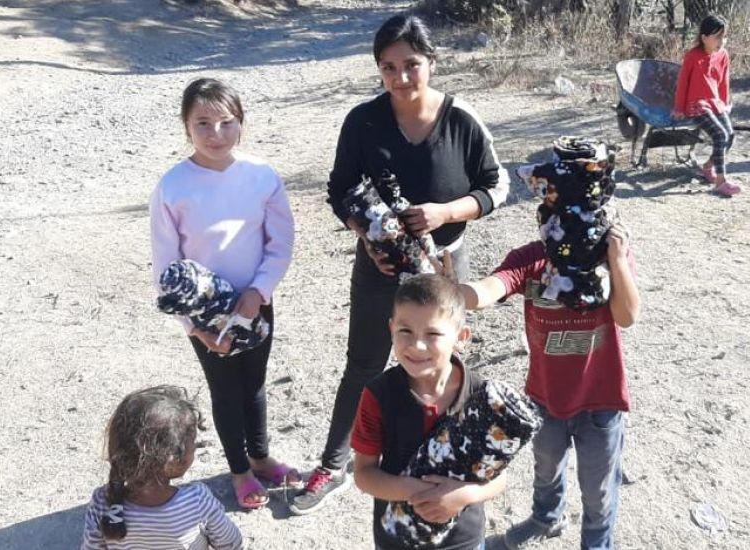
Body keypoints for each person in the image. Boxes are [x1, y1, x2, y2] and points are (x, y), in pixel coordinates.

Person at [293, 14, 509, 514]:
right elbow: (340, 190)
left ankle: (454, 462)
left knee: (444, 365)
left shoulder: (462, 120)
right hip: (380, 270)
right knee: (364, 364)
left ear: (432, 62)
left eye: (411, 64)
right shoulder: (363, 121)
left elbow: (495, 185)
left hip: (444, 269)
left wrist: (446, 212)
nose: (400, 77)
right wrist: (365, 235)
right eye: (388, 67)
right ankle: (336, 462)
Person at [150, 77, 298, 510]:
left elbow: (280, 242)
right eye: (202, 124)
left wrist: (259, 290)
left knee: (253, 384)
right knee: (225, 390)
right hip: (205, 311)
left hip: (256, 302)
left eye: (226, 122)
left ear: (241, 124)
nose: (215, 134)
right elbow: (165, 266)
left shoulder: (261, 176)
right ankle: (239, 471)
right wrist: (193, 326)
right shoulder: (173, 186)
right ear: (186, 127)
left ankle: (261, 455)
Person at [460, 224, 641, 550]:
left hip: (600, 400)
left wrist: (617, 259)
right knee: (546, 467)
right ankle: (547, 518)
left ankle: (597, 543)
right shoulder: (532, 258)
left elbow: (627, 316)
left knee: (598, 489)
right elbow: (489, 289)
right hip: (545, 398)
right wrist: (448, 291)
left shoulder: (606, 258)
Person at [350, 275, 507, 550]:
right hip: (398, 539)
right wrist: (418, 493)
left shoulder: (483, 396)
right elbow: (364, 473)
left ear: (461, 337)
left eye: (433, 334)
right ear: (391, 329)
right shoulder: (378, 395)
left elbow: (500, 477)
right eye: (405, 331)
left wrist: (461, 495)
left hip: (463, 539)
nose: (417, 345)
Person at [81, 386, 244, 550]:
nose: (194, 447)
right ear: (173, 460)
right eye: (192, 442)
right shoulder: (197, 500)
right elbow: (231, 544)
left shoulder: (103, 501)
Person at [672, 14, 740, 197]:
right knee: (720, 134)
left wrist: (725, 103)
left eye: (724, 36)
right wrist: (679, 108)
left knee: (729, 135)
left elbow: (724, 81)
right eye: (717, 37)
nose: (721, 41)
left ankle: (708, 167)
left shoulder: (723, 55)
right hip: (696, 105)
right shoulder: (693, 56)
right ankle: (721, 181)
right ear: (704, 38)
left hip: (715, 103)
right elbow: (683, 83)